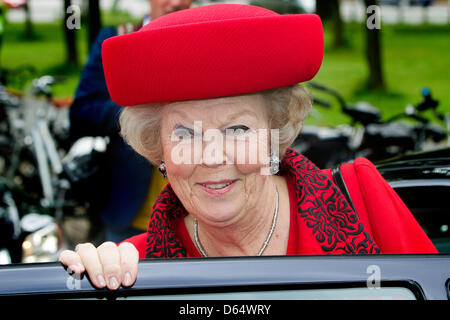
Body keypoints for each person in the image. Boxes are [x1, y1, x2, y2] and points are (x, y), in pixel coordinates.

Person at [59, 4, 437, 291]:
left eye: (237, 128)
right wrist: (94, 283)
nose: (212, 156)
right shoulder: (138, 266)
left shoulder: (362, 201)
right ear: (158, 150)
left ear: (275, 134)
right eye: (186, 134)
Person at [69, 0, 193, 243]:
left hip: (197, 215)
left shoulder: (205, 40)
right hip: (132, 215)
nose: (177, 2)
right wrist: (144, 104)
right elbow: (82, 114)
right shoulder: (117, 39)